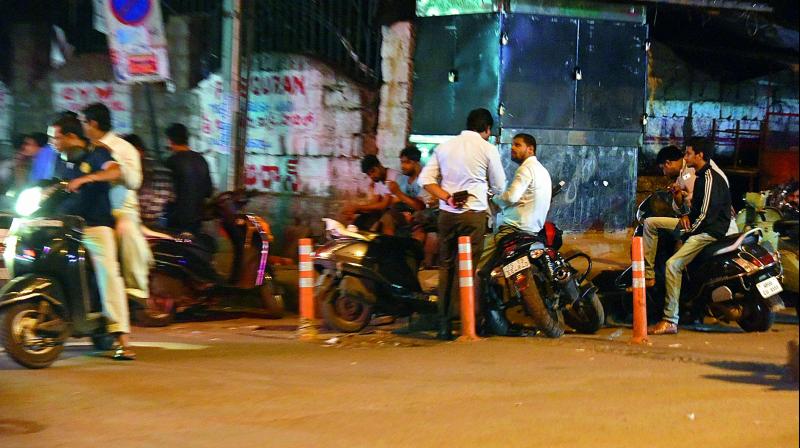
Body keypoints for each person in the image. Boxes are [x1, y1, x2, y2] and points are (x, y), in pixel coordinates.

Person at [49, 114, 134, 360]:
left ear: (71, 137)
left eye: (56, 137)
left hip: (94, 226)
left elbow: (114, 172)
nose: (53, 142)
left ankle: (121, 337)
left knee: (108, 272)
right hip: (63, 226)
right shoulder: (59, 160)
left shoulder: (97, 154)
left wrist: (87, 178)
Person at [419, 108, 507, 340]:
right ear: (486, 129)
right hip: (473, 215)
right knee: (470, 269)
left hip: (447, 215)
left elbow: (425, 180)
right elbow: (499, 185)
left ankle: (443, 325)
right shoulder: (487, 148)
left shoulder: (445, 146)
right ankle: (470, 323)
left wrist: (447, 197)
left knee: (446, 267)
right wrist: (484, 189)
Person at [648, 137, 733, 335]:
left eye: (688, 154)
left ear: (700, 155)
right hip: (697, 226)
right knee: (650, 223)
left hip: (708, 232)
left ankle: (670, 319)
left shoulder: (709, 177)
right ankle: (649, 274)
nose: (685, 158)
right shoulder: (700, 176)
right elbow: (692, 210)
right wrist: (681, 203)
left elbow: (705, 215)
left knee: (673, 265)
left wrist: (687, 232)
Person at [81, 103, 152, 303]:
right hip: (89, 210)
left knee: (126, 230)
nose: (82, 128)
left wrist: (111, 173)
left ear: (92, 123)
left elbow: (134, 181)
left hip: (119, 210)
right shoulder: (85, 149)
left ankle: (136, 288)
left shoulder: (123, 148)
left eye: (83, 122)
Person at [477, 133, 551, 275]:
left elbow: (511, 197)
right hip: (532, 231)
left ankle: (474, 295)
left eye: (517, 145)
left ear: (530, 149)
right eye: (512, 144)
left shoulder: (526, 168)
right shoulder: (542, 170)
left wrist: (494, 198)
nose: (512, 148)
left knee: (476, 259)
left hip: (513, 230)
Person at [641, 145, 695, 289]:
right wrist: (677, 194)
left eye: (689, 154)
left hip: (696, 222)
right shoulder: (682, 176)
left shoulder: (690, 172)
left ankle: (649, 275)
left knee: (650, 224)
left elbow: (693, 201)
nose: (664, 173)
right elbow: (679, 205)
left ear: (668, 163)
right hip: (693, 219)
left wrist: (684, 213)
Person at [164, 123, 213, 234]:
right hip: (197, 220)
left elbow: (165, 194)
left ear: (170, 141)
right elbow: (208, 192)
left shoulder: (171, 162)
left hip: (176, 221)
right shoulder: (201, 160)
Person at [122, 134, 174, 228]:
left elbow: (144, 199)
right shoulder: (163, 168)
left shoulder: (137, 170)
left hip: (140, 225)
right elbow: (171, 197)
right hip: (159, 223)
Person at [343, 155, 399, 232]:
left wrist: (358, 207)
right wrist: (354, 211)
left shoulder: (393, 176)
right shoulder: (378, 181)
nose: (372, 176)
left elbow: (384, 204)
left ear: (379, 165)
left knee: (385, 219)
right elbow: (374, 203)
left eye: (373, 171)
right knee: (360, 220)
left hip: (397, 211)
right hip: (385, 211)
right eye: (369, 174)